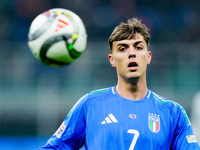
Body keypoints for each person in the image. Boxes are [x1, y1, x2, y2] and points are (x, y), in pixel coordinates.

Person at [39, 18, 200, 149]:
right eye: (123, 49)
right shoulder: (91, 104)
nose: (131, 54)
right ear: (112, 60)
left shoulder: (173, 113)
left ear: (148, 56)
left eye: (138, 47)